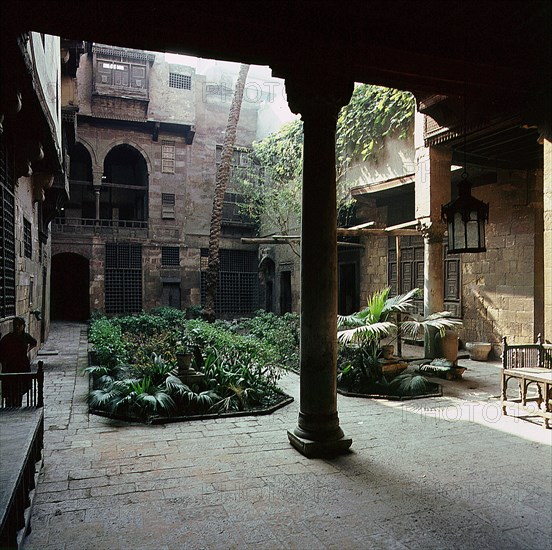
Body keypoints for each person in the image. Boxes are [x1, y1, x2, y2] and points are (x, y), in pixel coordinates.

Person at [0, 317, 37, 406]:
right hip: (10, 366)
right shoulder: (8, 338)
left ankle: (17, 406)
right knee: (10, 391)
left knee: (20, 389)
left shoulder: (25, 336)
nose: (17, 327)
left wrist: (27, 350)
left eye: (19, 325)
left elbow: (34, 342)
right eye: (15, 325)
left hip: (22, 365)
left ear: (23, 326)